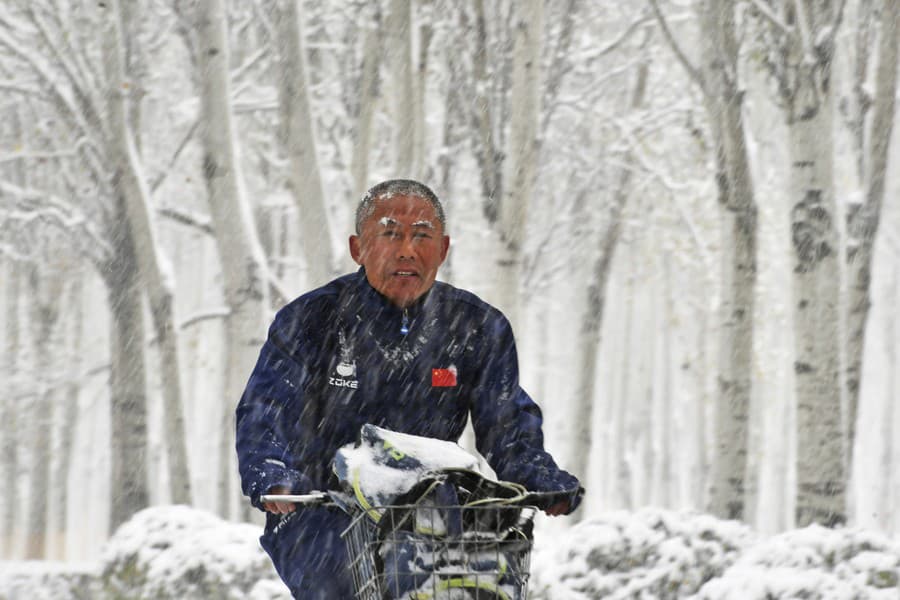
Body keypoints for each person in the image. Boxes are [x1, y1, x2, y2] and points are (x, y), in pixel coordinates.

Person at [236, 179, 582, 599]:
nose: (406, 249)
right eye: (389, 234)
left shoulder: (477, 326)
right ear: (357, 248)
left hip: (432, 516)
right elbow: (264, 410)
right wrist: (271, 475)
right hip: (323, 515)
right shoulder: (310, 319)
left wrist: (538, 476)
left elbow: (507, 425)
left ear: (443, 248)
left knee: (482, 582)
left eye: (421, 235)